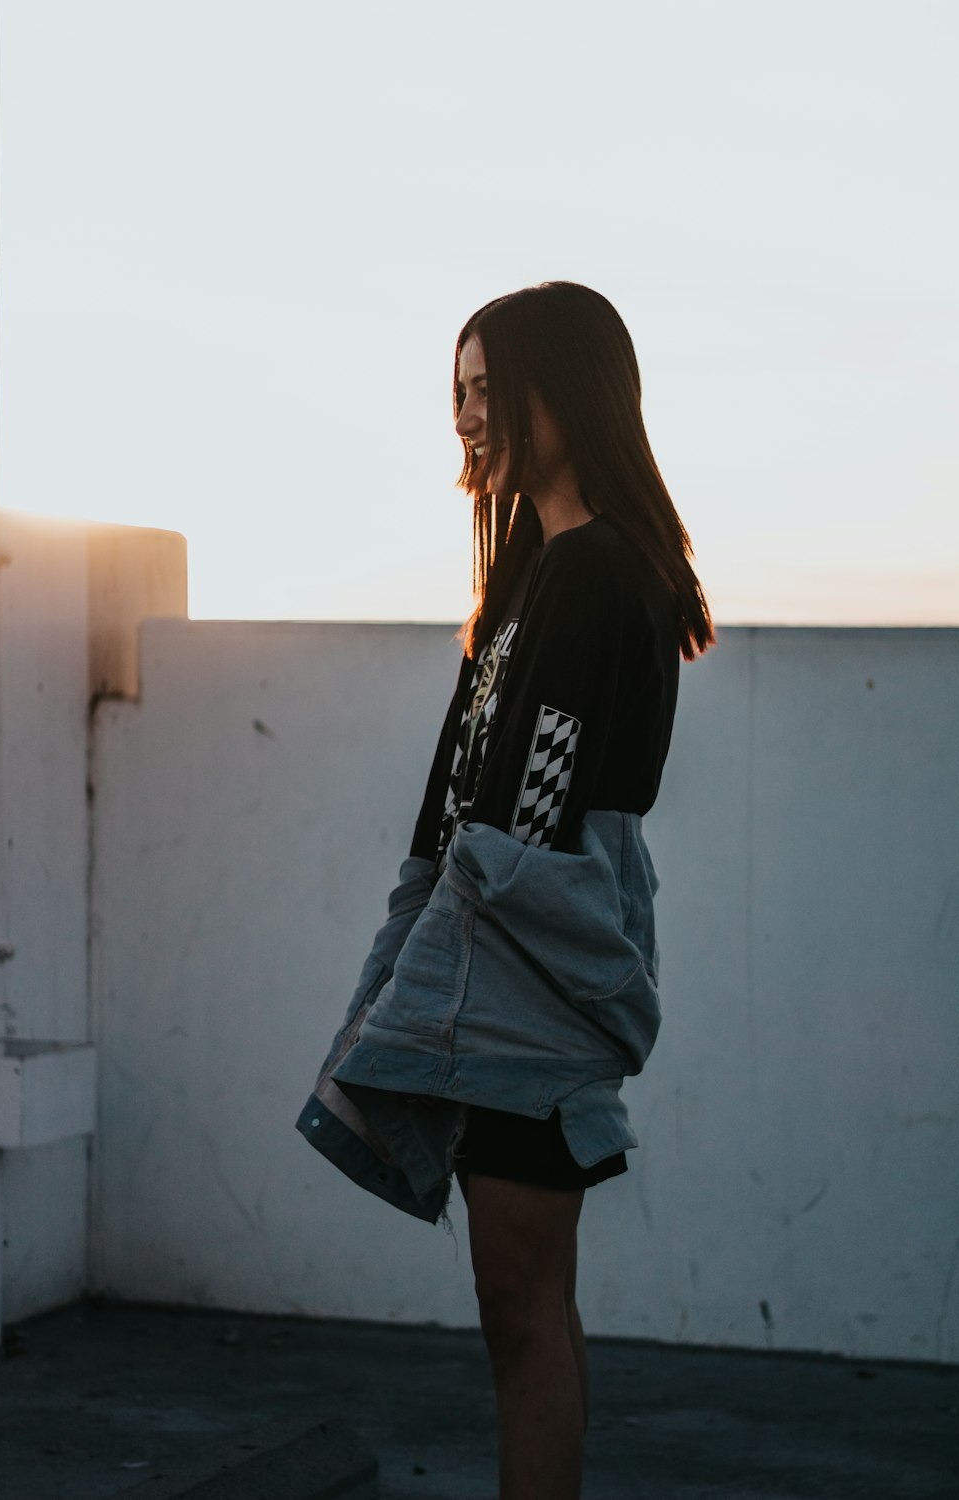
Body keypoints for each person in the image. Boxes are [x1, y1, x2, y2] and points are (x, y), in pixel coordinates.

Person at [299, 280, 713, 1500]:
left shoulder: (596, 572)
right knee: (529, 1303)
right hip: (496, 940)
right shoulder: (533, 574)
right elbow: (451, 802)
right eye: (459, 394)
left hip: (528, 955)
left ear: (566, 390)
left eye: (490, 390)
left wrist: (453, 922)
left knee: (520, 1307)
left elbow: (528, 812)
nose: (469, 418)